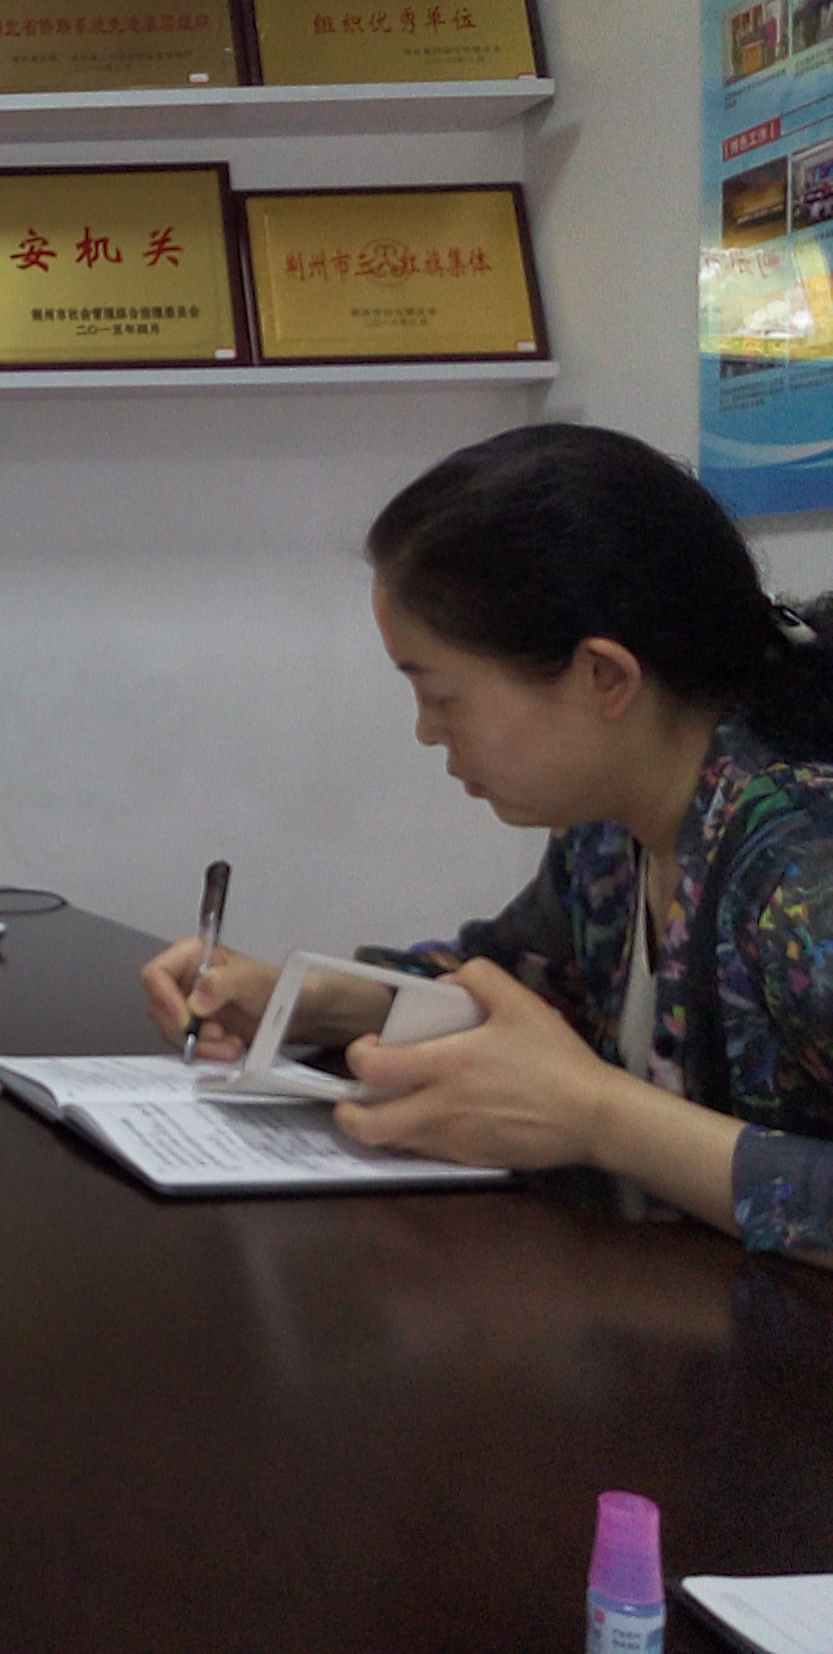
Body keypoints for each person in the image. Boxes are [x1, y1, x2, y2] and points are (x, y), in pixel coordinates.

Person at [143, 423, 833, 1264]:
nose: (428, 733)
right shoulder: (611, 831)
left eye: (443, 696)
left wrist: (599, 1117)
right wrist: (306, 1001)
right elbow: (514, 978)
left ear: (604, 677)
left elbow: (575, 1089)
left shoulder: (799, 873)